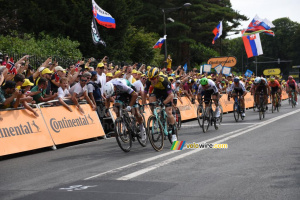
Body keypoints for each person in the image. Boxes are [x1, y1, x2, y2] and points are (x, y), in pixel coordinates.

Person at [143, 67, 177, 142]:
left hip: (167, 93)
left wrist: (163, 103)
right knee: (151, 101)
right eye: (150, 79)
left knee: (168, 112)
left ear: (158, 77)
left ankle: (174, 133)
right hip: (157, 91)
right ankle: (156, 117)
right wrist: (143, 103)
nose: (152, 80)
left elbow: (171, 95)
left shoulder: (164, 80)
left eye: (153, 78)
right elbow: (145, 92)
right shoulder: (149, 80)